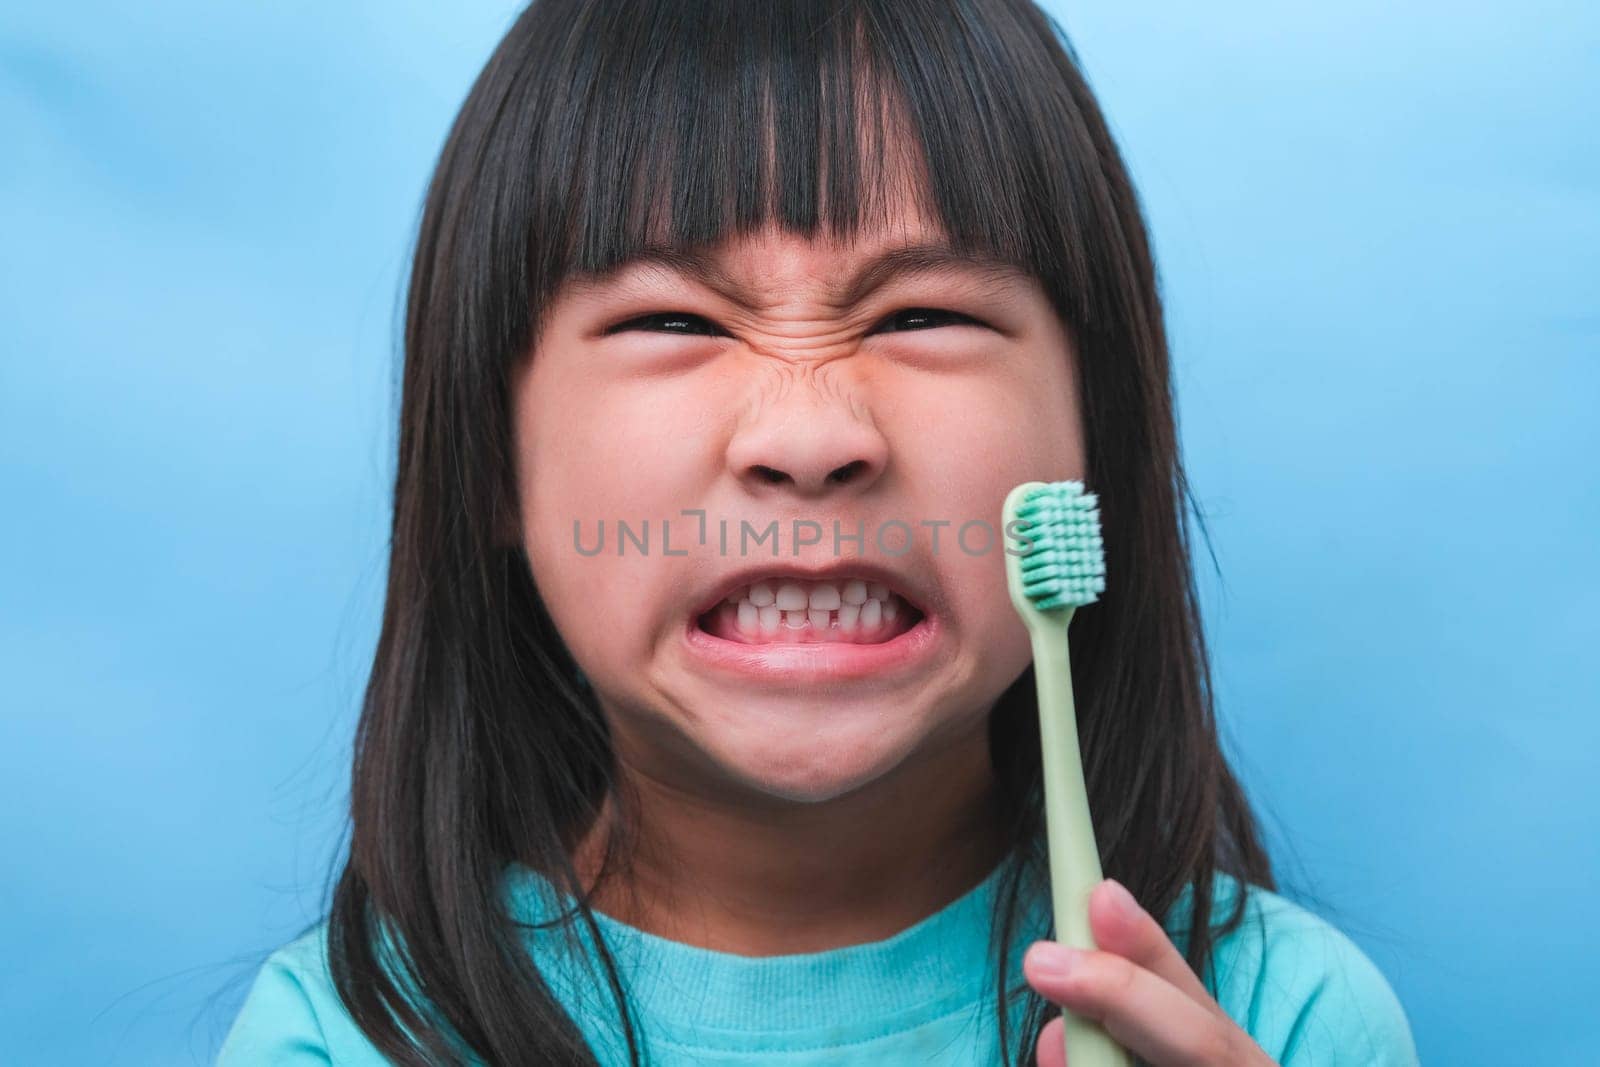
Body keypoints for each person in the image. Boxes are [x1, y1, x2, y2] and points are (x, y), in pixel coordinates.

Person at [217, 0, 1421, 1063]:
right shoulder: (339, 1040)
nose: (807, 433)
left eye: (924, 312)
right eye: (674, 320)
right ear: (491, 459)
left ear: (1091, 443)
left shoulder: (1283, 1019)